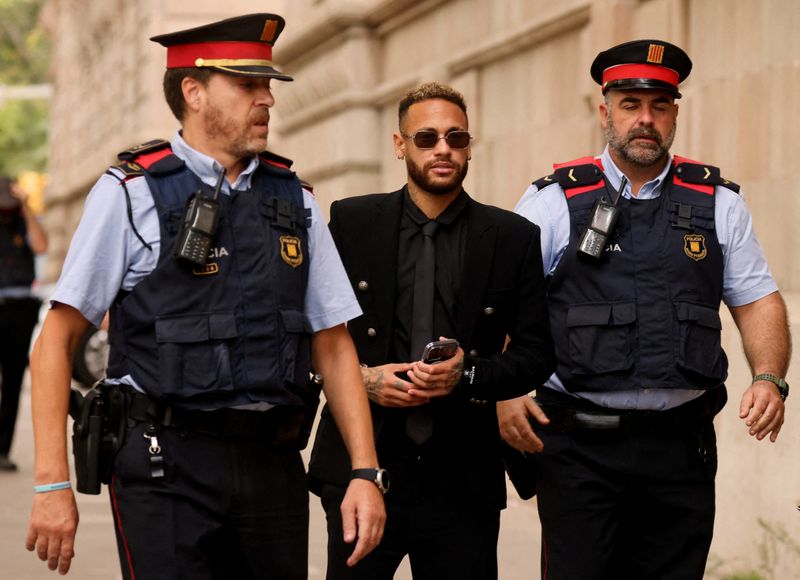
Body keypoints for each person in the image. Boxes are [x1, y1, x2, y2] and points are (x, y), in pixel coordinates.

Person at [24, 13, 385, 579]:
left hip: (273, 463)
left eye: (267, 85)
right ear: (193, 91)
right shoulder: (131, 194)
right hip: (165, 466)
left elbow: (334, 345)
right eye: (247, 85)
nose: (266, 99)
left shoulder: (296, 201)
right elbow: (55, 340)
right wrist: (52, 483)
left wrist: (366, 474)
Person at [501, 39, 791, 579]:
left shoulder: (718, 202)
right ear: (604, 108)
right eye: (630, 104)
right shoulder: (553, 200)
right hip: (579, 449)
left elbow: (757, 299)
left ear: (675, 111)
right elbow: (503, 303)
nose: (645, 119)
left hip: (680, 450)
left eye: (659, 105)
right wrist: (506, 392)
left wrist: (769, 378)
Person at [308, 81, 555, 579]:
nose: (443, 148)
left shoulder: (512, 238)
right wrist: (365, 380)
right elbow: (313, 336)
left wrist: (468, 375)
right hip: (366, 464)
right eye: (426, 138)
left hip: (462, 476)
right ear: (400, 145)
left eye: (456, 137)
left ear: (469, 146)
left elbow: (536, 353)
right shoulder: (352, 222)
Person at [0, 176, 47, 471]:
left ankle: (2, 450)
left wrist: (27, 208)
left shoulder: (24, 222)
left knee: (14, 381)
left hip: (20, 310)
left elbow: (41, 245)